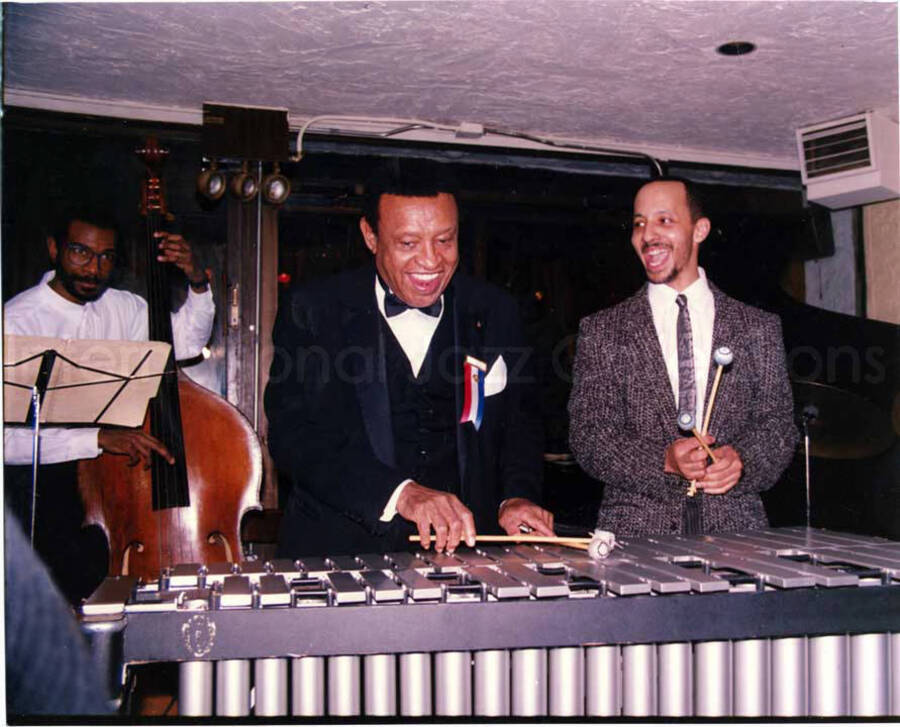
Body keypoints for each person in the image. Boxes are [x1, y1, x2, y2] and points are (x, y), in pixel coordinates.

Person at [266, 163, 554, 556]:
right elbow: (294, 437)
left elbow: (519, 424)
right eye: (408, 243)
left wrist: (515, 497)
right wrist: (399, 493)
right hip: (341, 552)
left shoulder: (495, 309)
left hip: (466, 558)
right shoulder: (314, 309)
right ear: (370, 236)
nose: (431, 261)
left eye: (444, 241)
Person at [3, 207, 215, 600]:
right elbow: (7, 444)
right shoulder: (16, 322)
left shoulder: (125, 307)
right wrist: (98, 438)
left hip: (115, 493)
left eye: (105, 258)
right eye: (80, 253)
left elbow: (184, 343)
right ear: (54, 249)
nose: (93, 269)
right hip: (44, 498)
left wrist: (197, 281)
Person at [568, 177, 798, 536]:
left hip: (737, 534)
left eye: (664, 220)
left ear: (700, 230)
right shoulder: (603, 330)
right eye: (639, 223)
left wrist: (742, 461)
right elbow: (589, 436)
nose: (647, 235)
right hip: (635, 534)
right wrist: (664, 461)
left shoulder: (758, 327)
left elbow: (778, 425)